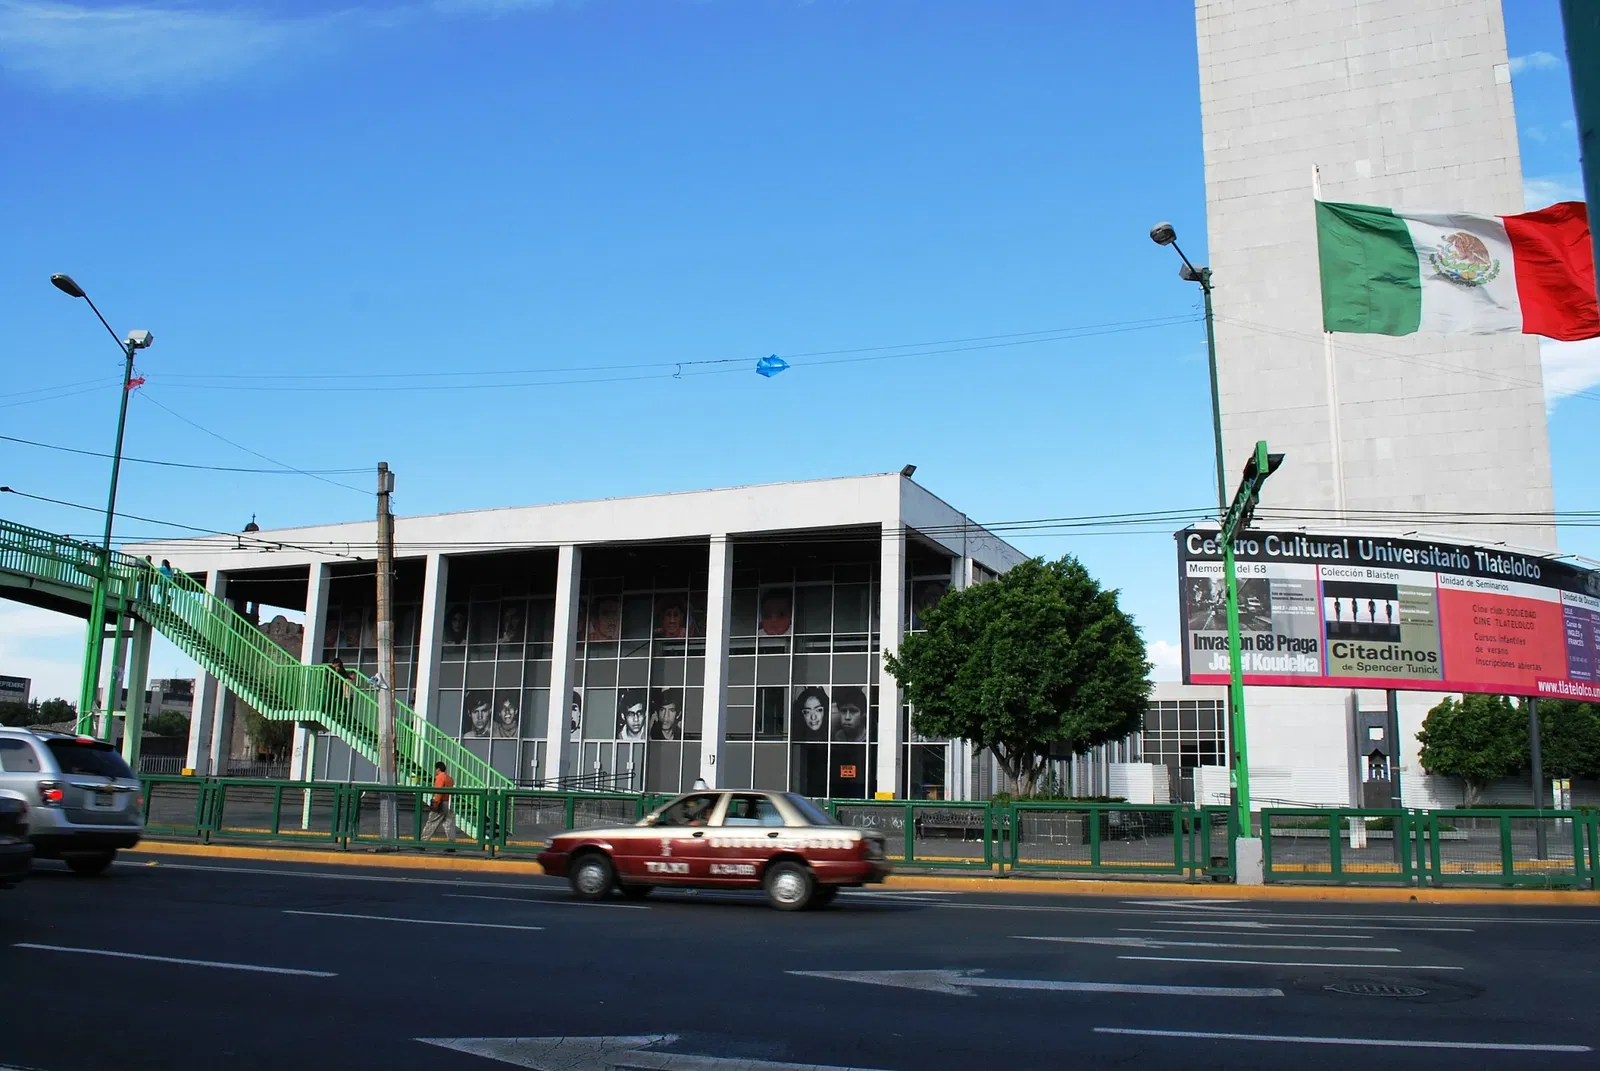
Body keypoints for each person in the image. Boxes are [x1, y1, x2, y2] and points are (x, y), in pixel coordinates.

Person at [422, 761, 458, 849]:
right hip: (448, 802)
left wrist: (436, 803)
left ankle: (422, 842)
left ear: (438, 769)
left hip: (441, 802)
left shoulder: (440, 778)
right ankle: (451, 844)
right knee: (449, 824)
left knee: (432, 822)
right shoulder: (450, 778)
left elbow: (439, 792)